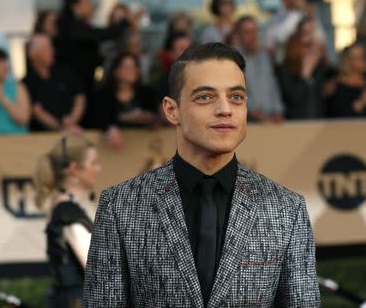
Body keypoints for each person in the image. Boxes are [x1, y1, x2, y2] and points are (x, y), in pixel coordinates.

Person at [83, 43, 320, 307]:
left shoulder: (287, 209)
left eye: (236, 97)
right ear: (172, 111)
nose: (225, 109)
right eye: (205, 97)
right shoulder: (120, 207)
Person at [34, 134, 101, 308]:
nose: (98, 169)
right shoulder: (68, 214)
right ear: (74, 169)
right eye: (93, 163)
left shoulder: (64, 209)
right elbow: (96, 270)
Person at [55, 0, 129, 126]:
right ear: (75, 6)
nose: (91, 5)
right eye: (87, 1)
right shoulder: (71, 26)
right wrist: (123, 22)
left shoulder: (75, 26)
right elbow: (103, 34)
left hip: (84, 83)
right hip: (74, 88)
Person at [93, 53, 159, 149]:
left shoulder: (146, 92)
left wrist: (147, 118)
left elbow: (155, 116)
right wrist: (110, 128)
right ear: (115, 71)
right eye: (126, 67)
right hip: (112, 150)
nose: (131, 70)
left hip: (143, 146)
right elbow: (98, 119)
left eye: (134, 67)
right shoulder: (104, 94)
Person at [23, 34, 86, 132]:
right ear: (32, 54)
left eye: (51, 47)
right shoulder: (26, 83)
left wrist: (72, 120)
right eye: (45, 49)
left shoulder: (66, 72)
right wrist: (61, 128)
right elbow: (37, 111)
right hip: (42, 138)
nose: (52, 51)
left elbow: (79, 98)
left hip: (75, 130)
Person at [235, 16, 284, 123]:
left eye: (255, 31)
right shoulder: (233, 60)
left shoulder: (265, 56)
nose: (253, 36)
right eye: (247, 32)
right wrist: (251, 110)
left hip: (270, 120)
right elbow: (235, 91)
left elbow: (272, 85)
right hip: (246, 122)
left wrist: (277, 109)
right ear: (238, 35)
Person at [277, 17, 327, 119]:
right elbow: (294, 99)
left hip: (319, 127)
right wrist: (305, 74)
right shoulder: (284, 69)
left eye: (314, 33)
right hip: (296, 128)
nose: (312, 40)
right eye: (307, 45)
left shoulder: (321, 68)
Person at [265, 0, 326, 64]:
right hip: (286, 65)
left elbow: (321, 39)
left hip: (309, 64)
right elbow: (280, 38)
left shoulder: (307, 15)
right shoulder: (275, 19)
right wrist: (297, 12)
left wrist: (309, 17)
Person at [327, 44, 366, 118]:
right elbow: (340, 117)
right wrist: (363, 102)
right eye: (360, 58)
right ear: (348, 62)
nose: (365, 61)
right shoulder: (337, 86)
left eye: (365, 56)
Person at [0, 49, 30, 134]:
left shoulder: (18, 87)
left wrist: (3, 99)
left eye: (5, 62)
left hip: (14, 138)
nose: (4, 66)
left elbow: (23, 119)